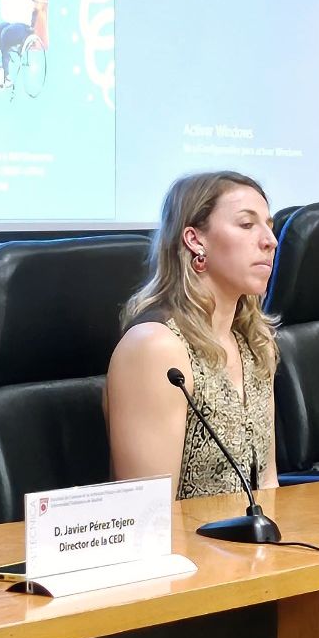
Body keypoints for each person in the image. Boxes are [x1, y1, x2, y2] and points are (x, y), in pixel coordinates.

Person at [106, 171, 279, 499]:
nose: (269, 240)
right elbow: (149, 517)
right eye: (246, 225)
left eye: (268, 225)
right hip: (184, 549)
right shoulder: (155, 348)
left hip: (255, 547)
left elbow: (268, 487)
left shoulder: (257, 344)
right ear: (195, 240)